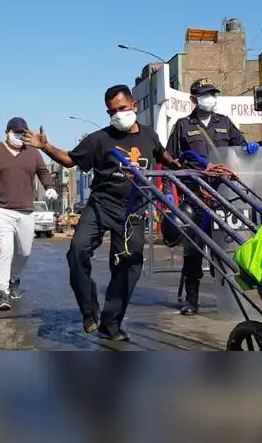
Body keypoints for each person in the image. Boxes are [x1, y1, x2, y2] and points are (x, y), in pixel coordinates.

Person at [22, 85, 186, 341]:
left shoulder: (149, 136)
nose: (118, 115)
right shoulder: (99, 139)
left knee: (128, 268)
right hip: (101, 205)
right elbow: (69, 160)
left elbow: (166, 159)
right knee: (77, 251)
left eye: (122, 108)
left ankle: (111, 324)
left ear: (134, 106)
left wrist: (191, 166)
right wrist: (45, 146)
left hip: (133, 210)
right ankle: (89, 311)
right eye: (112, 111)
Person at [165, 77, 260, 315]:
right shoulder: (183, 126)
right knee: (194, 250)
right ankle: (191, 300)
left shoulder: (225, 123)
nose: (210, 99)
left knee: (229, 248)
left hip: (224, 198)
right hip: (196, 197)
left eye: (212, 94)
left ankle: (235, 299)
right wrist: (170, 191)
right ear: (194, 99)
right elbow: (170, 160)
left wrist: (250, 149)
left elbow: (240, 148)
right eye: (205, 95)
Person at [0, 117, 57, 311]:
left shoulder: (33, 153)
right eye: (16, 133)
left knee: (24, 252)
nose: (19, 137)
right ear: (7, 132)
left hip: (26, 210)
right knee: (3, 251)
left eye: (23, 134)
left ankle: (14, 278)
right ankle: (2, 292)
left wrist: (49, 186)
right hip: (0, 209)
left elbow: (43, 171)